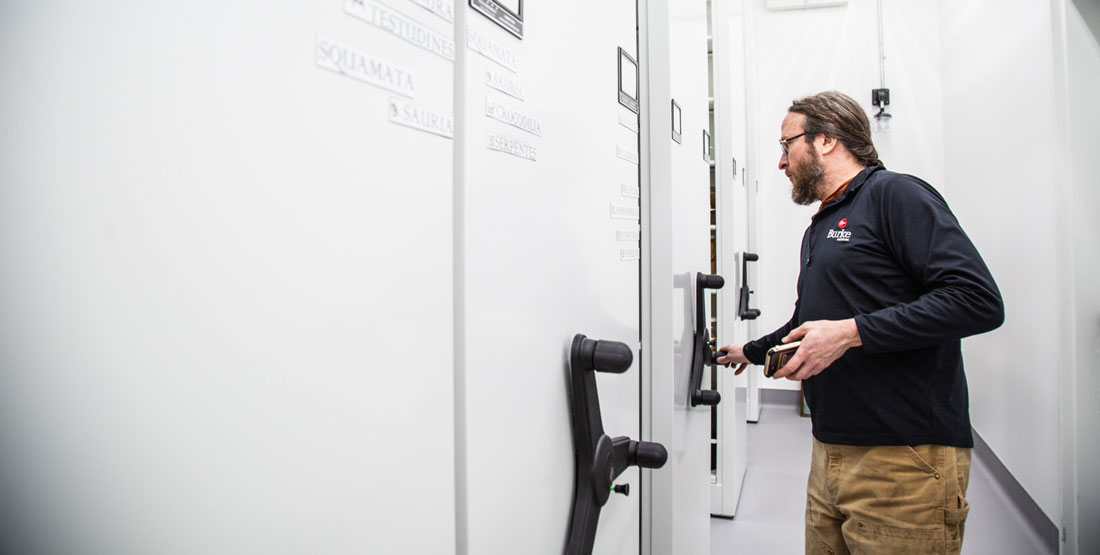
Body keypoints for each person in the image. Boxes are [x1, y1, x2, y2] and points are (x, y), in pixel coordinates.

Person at [717, 91, 1003, 555]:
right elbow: (810, 320)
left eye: (786, 145)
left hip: (904, 459)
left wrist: (851, 333)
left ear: (826, 140)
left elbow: (977, 300)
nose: (781, 161)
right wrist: (749, 352)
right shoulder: (822, 224)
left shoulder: (896, 195)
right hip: (830, 450)